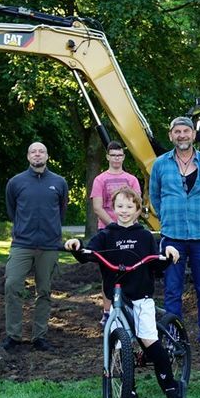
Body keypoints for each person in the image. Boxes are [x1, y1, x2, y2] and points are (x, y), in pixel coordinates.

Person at [65, 187, 185, 398]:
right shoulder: (106, 235)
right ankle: (127, 390)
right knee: (119, 346)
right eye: (120, 206)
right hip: (117, 297)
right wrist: (76, 247)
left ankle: (171, 387)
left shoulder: (145, 235)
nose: (124, 211)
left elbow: (157, 262)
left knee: (149, 341)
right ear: (113, 208)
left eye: (130, 207)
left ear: (138, 210)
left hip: (141, 296)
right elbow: (88, 253)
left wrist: (168, 255)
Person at [150, 116, 200, 357]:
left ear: (193, 135)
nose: (182, 135)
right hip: (173, 237)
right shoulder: (160, 164)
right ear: (171, 136)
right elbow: (155, 197)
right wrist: (168, 217)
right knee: (172, 290)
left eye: (186, 131)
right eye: (177, 132)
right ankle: (173, 340)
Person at [2, 142, 69, 352]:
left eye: (41, 151)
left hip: (49, 246)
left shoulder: (59, 182)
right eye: (33, 151)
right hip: (22, 244)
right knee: (12, 286)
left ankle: (39, 337)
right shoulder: (16, 182)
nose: (37, 154)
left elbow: (61, 211)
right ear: (28, 156)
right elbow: (12, 210)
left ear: (47, 155)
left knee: (45, 291)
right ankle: (13, 336)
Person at [90, 140, 142, 327]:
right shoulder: (100, 180)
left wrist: (127, 225)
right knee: (109, 273)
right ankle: (107, 311)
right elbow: (97, 207)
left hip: (130, 231)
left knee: (132, 270)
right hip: (108, 232)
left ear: (123, 157)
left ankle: (130, 308)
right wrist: (115, 226)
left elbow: (138, 205)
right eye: (113, 155)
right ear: (108, 157)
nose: (116, 159)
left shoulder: (131, 180)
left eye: (119, 155)